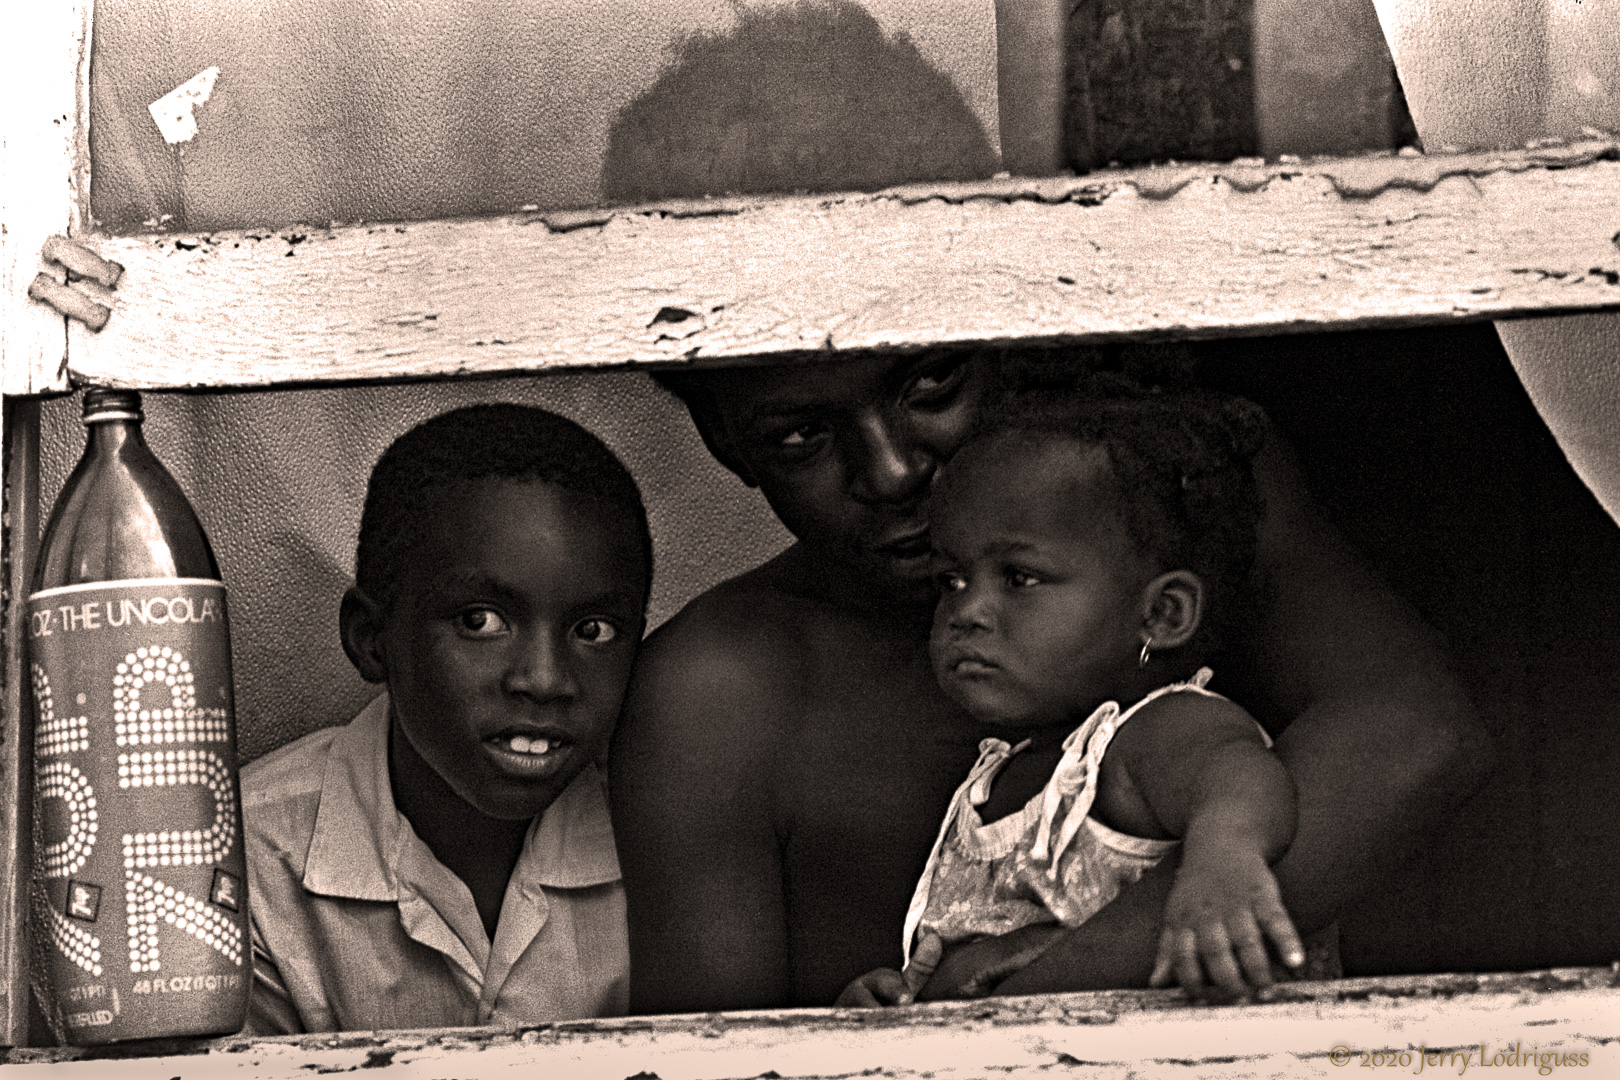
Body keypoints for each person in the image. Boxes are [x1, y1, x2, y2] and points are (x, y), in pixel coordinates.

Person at [611, 346, 1491, 1010]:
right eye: (800, 435)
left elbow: (1412, 739)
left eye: (929, 385)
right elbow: (706, 1051)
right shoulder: (723, 688)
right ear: (726, 445)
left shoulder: (1162, 502)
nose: (892, 471)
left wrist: (1052, 989)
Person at [836, 384, 1304, 1007]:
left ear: (1162, 614)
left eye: (1020, 578)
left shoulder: (1148, 734)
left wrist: (1224, 860)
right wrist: (898, 996)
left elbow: (1241, 774)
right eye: (950, 580)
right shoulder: (1003, 775)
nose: (966, 611)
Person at [241, 404, 652, 1033]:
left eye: (593, 631)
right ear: (371, 639)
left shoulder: (664, 836)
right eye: (479, 621)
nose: (544, 680)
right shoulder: (247, 860)